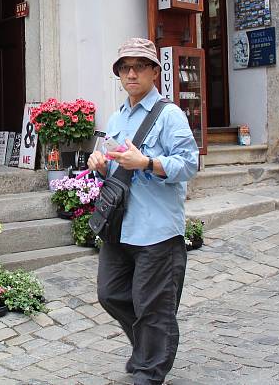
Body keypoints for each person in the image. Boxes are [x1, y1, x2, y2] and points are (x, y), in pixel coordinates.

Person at [87, 37, 199, 385]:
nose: (131, 73)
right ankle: (153, 344)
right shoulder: (117, 115)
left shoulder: (170, 115)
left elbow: (189, 164)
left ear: (154, 71)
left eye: (139, 67)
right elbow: (114, 163)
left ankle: (149, 371)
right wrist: (100, 165)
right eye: (125, 67)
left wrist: (147, 162)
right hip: (120, 226)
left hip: (157, 229)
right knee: (110, 293)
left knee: (153, 306)